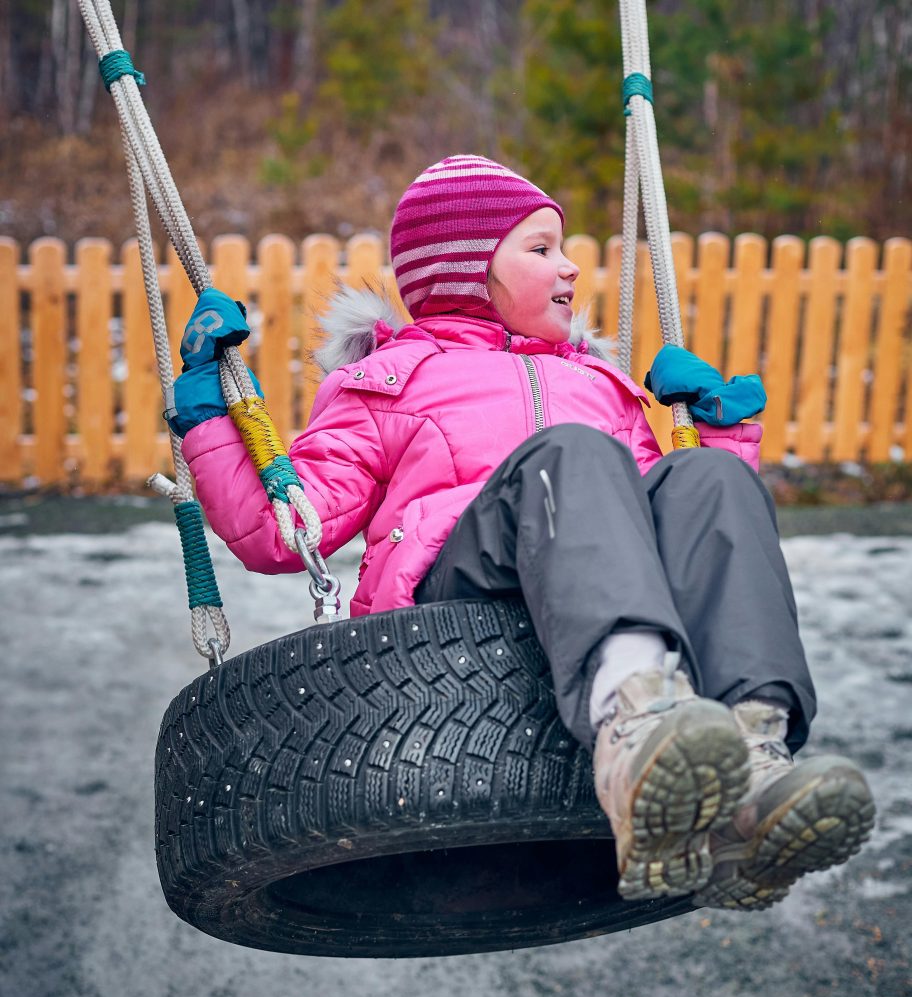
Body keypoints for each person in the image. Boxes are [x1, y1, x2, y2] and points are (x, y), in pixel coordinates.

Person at [170, 154, 874, 911]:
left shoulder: (600, 386)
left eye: (562, 248)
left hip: (587, 594)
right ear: (465, 270)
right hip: (453, 606)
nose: (571, 267)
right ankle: (636, 727)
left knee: (707, 481)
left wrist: (725, 442)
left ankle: (748, 768)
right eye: (541, 249)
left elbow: (673, 531)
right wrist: (211, 417)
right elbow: (282, 533)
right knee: (570, 458)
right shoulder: (391, 381)